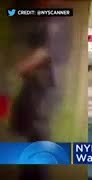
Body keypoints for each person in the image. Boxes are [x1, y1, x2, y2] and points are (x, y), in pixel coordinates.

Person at [10, 0, 72, 179]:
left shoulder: (56, 18)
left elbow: (45, 52)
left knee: (38, 136)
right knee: (33, 137)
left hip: (45, 88)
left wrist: (20, 67)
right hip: (40, 87)